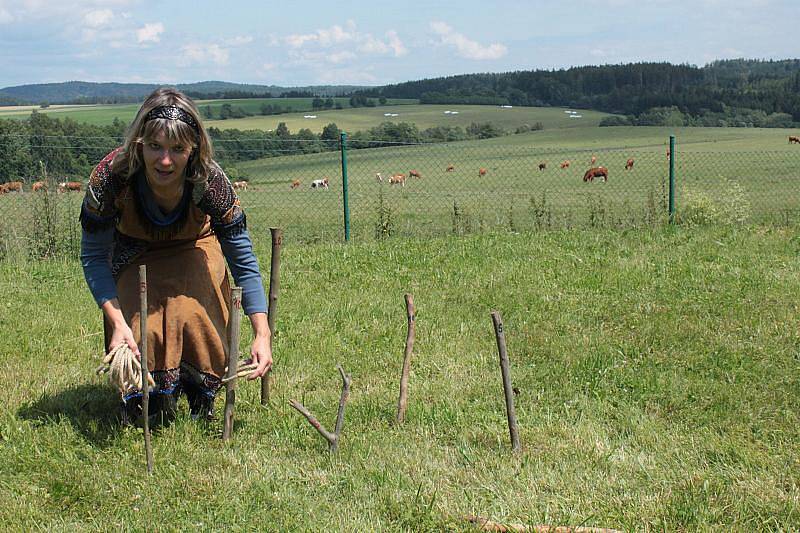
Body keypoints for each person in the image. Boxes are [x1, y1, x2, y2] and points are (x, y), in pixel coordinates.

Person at [80, 87, 271, 424]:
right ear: (139, 143)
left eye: (177, 149)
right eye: (155, 146)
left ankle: (199, 394)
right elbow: (94, 256)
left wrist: (262, 333)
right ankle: (146, 401)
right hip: (133, 250)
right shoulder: (111, 178)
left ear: (193, 150)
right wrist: (117, 321)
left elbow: (242, 257)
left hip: (195, 244)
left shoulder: (210, 182)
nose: (164, 161)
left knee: (194, 312)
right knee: (142, 328)